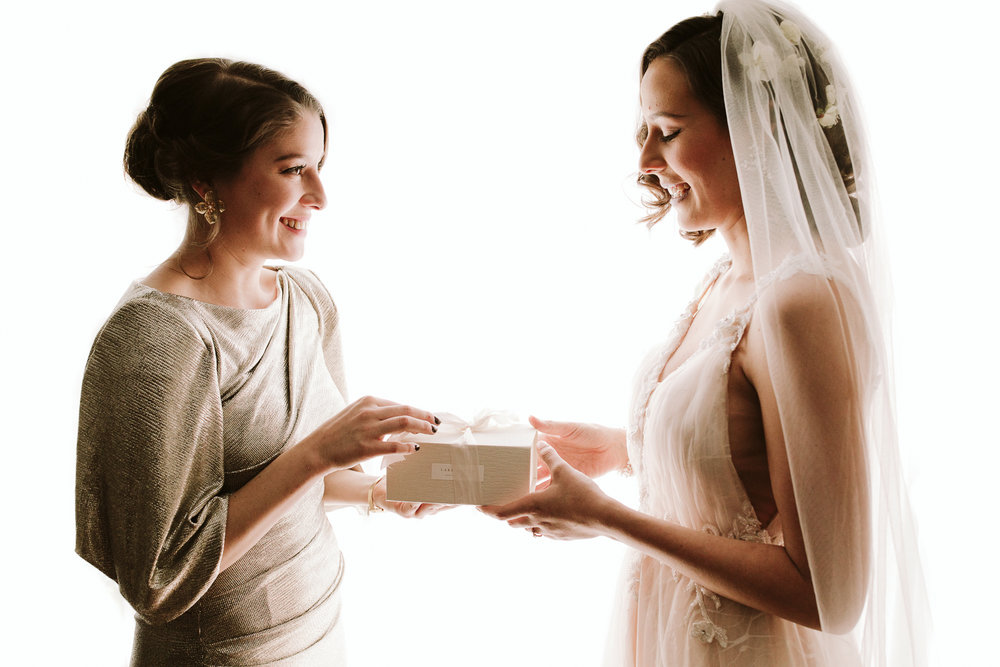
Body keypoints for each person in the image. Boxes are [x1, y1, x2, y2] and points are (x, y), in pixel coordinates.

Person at [481, 1, 928, 665]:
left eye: (666, 130)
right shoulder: (727, 278)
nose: (642, 162)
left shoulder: (802, 303)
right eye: (643, 131)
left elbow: (831, 595)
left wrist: (605, 516)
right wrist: (617, 449)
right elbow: (745, 468)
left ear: (758, 126)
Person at [75, 58, 442, 666]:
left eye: (319, 168)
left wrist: (382, 492)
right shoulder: (155, 337)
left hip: (319, 627)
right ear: (204, 181)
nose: (320, 197)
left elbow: (303, 486)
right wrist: (320, 451)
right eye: (294, 170)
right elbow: (159, 580)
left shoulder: (306, 299)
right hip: (224, 653)